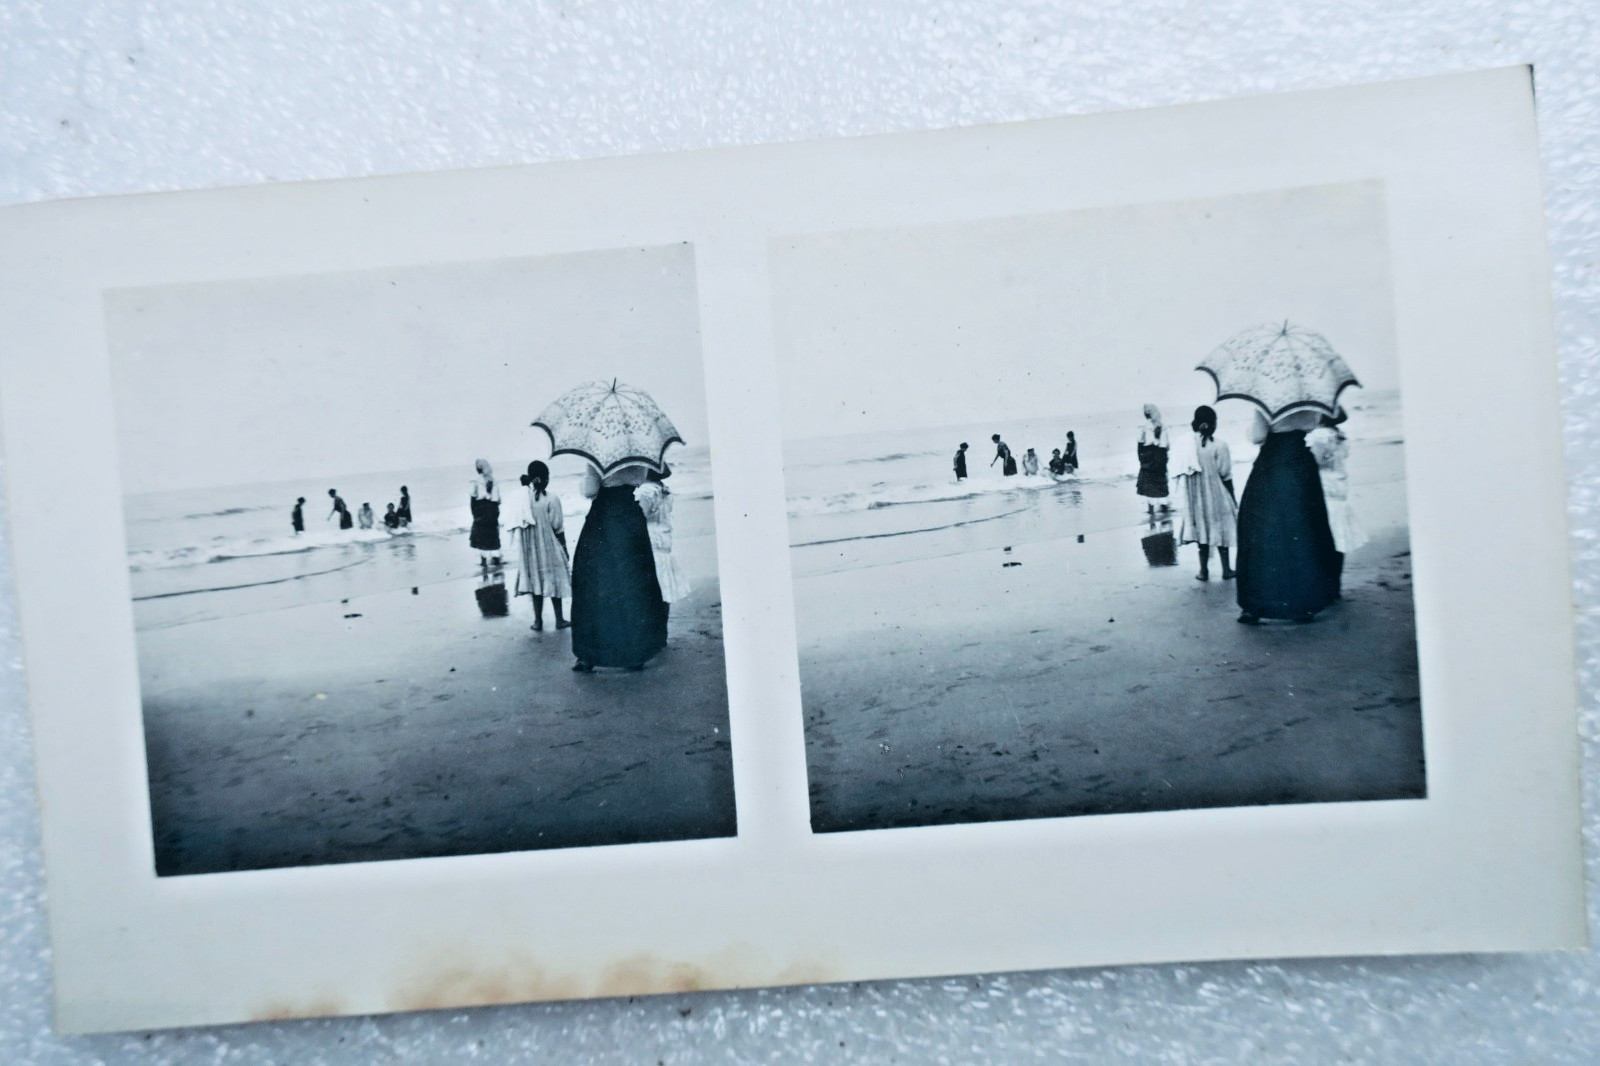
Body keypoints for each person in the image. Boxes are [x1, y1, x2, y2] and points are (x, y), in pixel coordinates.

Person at [1234, 407, 1341, 624]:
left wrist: (1250, 430)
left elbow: (1257, 436)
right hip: (1301, 462)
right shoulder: (1309, 402)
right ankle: (1303, 604)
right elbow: (1313, 425)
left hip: (1272, 464)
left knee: (1259, 530)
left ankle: (1255, 606)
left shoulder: (1267, 403)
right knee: (1305, 530)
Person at [569, 461, 667, 671]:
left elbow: (590, 490)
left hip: (603, 518)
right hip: (630, 515)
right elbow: (640, 480)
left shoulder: (597, 457)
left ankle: (589, 655)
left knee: (592, 583)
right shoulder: (639, 456)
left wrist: (585, 482)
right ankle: (636, 653)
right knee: (634, 583)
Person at [1305, 409, 1367, 597]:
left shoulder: (1319, 436)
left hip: (1325, 486)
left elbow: (1316, 462)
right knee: (1338, 536)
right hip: (1339, 485)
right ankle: (1335, 583)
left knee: (1324, 537)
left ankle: (1325, 584)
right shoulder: (1338, 435)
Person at [1176, 405, 1237, 581]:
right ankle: (1226, 569)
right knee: (1220, 529)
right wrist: (1233, 498)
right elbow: (1225, 474)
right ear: (1212, 424)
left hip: (1195, 498)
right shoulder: (1220, 445)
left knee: (1202, 530)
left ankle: (1203, 571)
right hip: (1216, 495)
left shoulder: (1187, 446)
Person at [508, 460, 572, 631]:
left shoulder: (523, 500)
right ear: (545, 478)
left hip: (530, 550)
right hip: (549, 547)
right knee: (554, 580)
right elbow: (558, 527)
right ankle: (559, 620)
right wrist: (564, 548)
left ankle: (538, 621)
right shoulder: (551, 499)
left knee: (536, 582)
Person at [635, 465, 691, 625]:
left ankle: (653, 627)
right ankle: (661, 627)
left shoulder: (646, 491)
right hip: (664, 541)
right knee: (664, 588)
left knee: (651, 591)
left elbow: (638, 519)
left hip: (650, 541)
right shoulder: (663, 489)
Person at [1136, 405, 1170, 514]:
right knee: (1160, 481)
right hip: (1158, 455)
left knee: (1150, 483)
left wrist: (1141, 458)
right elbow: (1166, 446)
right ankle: (1163, 506)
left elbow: (1140, 443)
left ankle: (1152, 509)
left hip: (1150, 456)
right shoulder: (1162, 426)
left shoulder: (1144, 426)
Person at [469, 459, 502, 567]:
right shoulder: (493, 480)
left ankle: (484, 560)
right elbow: (498, 500)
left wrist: (474, 513)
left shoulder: (476, 480)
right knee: (492, 533)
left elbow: (473, 496)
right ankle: (495, 558)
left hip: (482, 509)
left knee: (482, 535)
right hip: (490, 508)